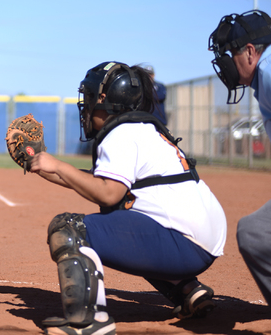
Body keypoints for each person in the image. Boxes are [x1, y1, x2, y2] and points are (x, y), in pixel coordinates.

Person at [28, 62, 227, 335]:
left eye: (89, 98)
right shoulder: (143, 129)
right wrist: (41, 166)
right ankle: (187, 290)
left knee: (68, 228)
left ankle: (89, 321)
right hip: (201, 237)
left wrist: (59, 165)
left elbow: (108, 194)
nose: (85, 106)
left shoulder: (120, 133)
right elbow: (96, 181)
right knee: (129, 225)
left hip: (183, 243)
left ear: (107, 101)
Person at [208, 9, 271, 306]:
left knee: (254, 233)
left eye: (229, 55)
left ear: (249, 51)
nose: (224, 64)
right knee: (255, 232)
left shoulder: (268, 69)